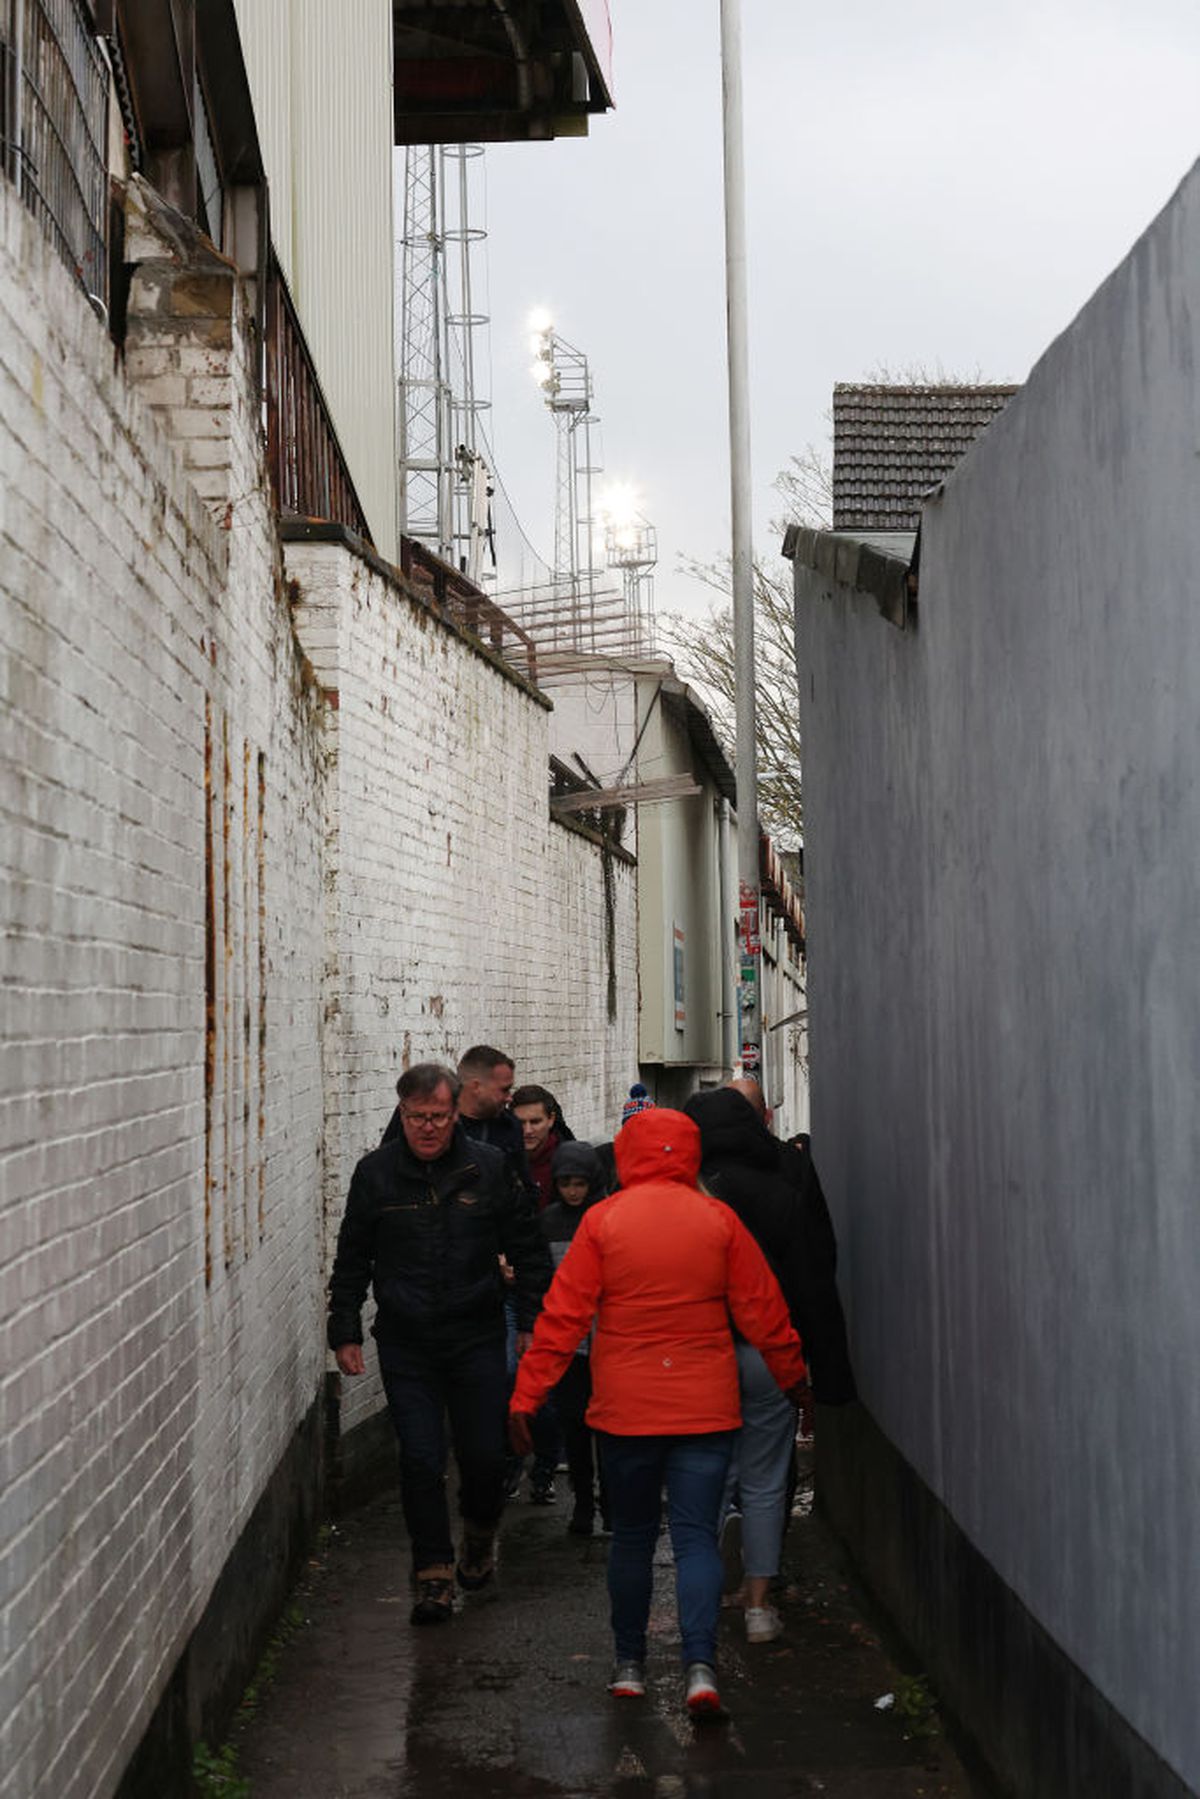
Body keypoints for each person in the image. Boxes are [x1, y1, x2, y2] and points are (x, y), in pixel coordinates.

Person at [509, 1107, 809, 1718]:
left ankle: (629, 1665)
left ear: (627, 1155)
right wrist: (794, 1382)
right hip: (706, 1407)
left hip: (626, 1411)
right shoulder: (718, 1221)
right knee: (696, 1536)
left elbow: (564, 1318)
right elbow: (763, 1312)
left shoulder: (602, 1222)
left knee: (634, 1540)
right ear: (690, 1154)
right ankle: (700, 1668)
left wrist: (527, 1393)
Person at [327, 1062, 552, 1626]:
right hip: (407, 1340)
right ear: (401, 1114)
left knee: (481, 1456)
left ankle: (479, 1532)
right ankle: (432, 1572)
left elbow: (526, 1249)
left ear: (456, 1115)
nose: (427, 1128)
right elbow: (353, 1255)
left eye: (438, 1117)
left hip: (475, 1333)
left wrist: (529, 1320)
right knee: (421, 1458)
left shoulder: (490, 1169)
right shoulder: (376, 1174)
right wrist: (345, 1330)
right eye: (416, 1117)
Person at [683, 1083, 856, 1646]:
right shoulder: (782, 1187)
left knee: (704, 1478)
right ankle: (759, 1607)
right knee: (763, 1480)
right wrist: (823, 1372)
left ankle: (700, 1602)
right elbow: (813, 1277)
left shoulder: (684, 1194)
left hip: (700, 1356)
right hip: (767, 1353)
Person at [538, 1140, 610, 1535]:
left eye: (579, 1183)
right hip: (571, 1344)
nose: (572, 1191)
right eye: (565, 1183)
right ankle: (583, 1502)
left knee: (611, 1429)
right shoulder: (548, 1222)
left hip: (608, 1343)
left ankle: (611, 1501)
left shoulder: (607, 1216)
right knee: (576, 1427)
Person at [511, 1083, 574, 1211]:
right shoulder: (500, 1160)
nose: (527, 1130)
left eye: (535, 1122)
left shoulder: (573, 1162)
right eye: (520, 1122)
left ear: (550, 1120)